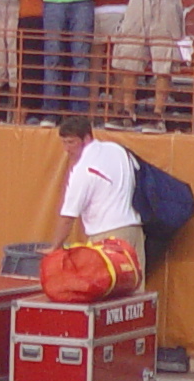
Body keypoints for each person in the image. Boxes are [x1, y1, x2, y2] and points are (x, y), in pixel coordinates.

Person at [52, 112, 141, 270]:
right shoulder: (118, 150)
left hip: (107, 239)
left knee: (108, 291)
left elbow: (68, 217)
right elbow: (138, 172)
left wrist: (54, 248)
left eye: (71, 142)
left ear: (86, 139)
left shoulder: (83, 169)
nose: (66, 149)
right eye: (64, 143)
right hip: (134, 232)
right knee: (135, 291)